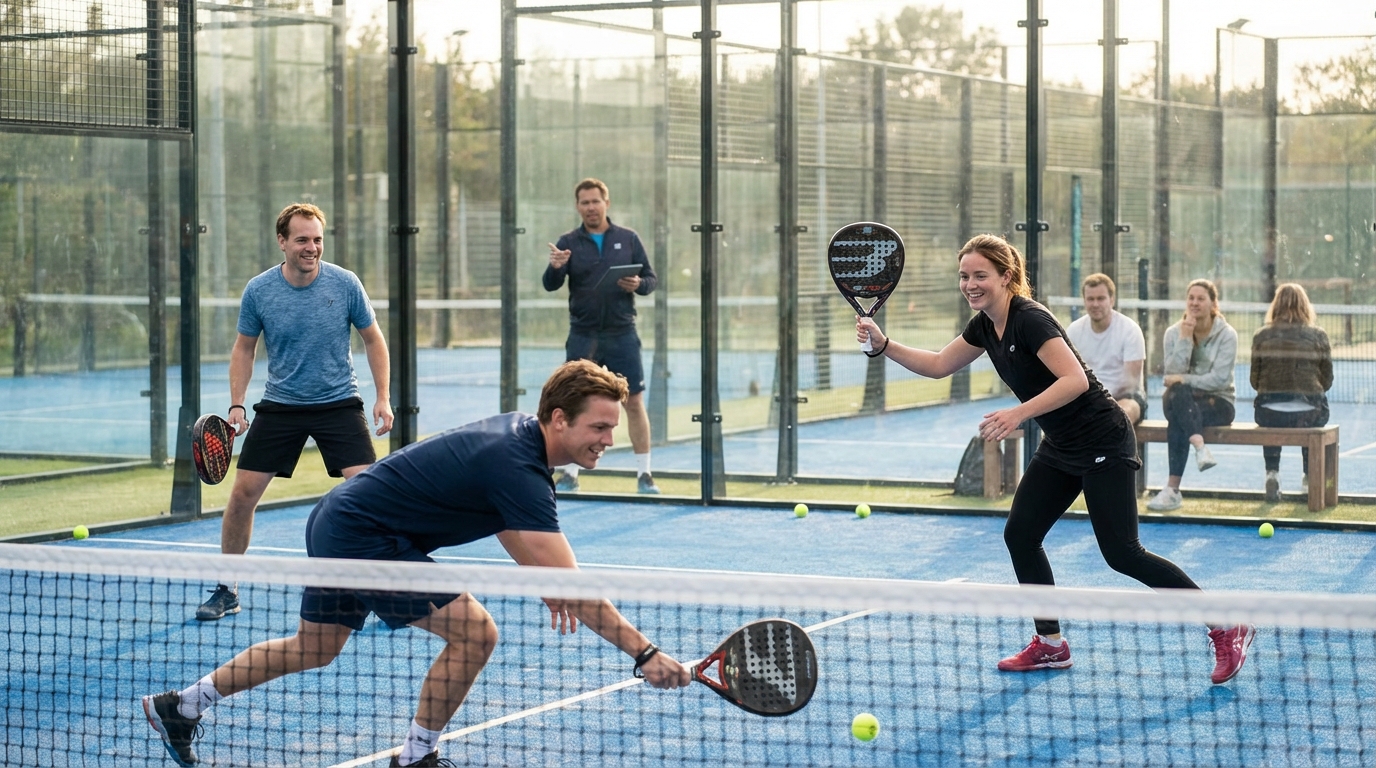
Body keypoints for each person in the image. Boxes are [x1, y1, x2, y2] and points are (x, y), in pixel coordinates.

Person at [142, 360, 692, 768]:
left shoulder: (520, 441)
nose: (608, 440)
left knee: (313, 648)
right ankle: (415, 758)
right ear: (559, 419)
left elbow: (502, 518)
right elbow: (570, 577)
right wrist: (644, 653)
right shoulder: (519, 467)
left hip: (338, 519)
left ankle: (182, 706)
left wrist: (544, 577)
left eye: (611, 428)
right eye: (599, 427)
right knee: (476, 634)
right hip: (365, 535)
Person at [855, 234, 1253, 685]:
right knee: (1021, 534)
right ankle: (1049, 645)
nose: (970, 284)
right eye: (964, 276)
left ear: (1007, 276)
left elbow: (1075, 381)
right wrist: (884, 344)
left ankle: (1226, 623)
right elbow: (938, 364)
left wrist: (1018, 413)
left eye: (980, 275)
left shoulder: (1030, 319)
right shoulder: (985, 325)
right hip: (1062, 445)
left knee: (1122, 554)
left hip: (1103, 438)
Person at [196, 203, 394, 622]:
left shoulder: (345, 284)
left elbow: (374, 340)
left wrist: (383, 396)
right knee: (241, 496)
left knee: (369, 498)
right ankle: (227, 589)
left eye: (318, 239)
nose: (312, 247)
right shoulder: (260, 290)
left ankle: (379, 590)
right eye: (302, 239)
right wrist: (236, 402)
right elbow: (244, 348)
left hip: (339, 403)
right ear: (282, 241)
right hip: (281, 405)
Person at [543, 178, 660, 495]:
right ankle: (569, 474)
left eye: (595, 201)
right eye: (584, 202)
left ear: (606, 203)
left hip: (622, 333)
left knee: (633, 401)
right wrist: (555, 267)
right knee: (573, 402)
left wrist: (639, 284)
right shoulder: (568, 241)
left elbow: (650, 279)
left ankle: (644, 474)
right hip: (583, 335)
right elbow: (551, 284)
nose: (590, 207)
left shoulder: (628, 238)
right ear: (578, 206)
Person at [1146, 279, 1238, 512]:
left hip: (1218, 403)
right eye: (1191, 298)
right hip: (1181, 400)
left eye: (1201, 298)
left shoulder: (1227, 335)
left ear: (1213, 303)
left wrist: (1184, 380)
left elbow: (1220, 379)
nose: (1195, 303)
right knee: (1178, 395)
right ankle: (1198, 444)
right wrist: (1186, 337)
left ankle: (1172, 490)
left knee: (1178, 413)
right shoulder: (1173, 333)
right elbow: (1172, 374)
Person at [1251, 283, 1333, 502]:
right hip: (1310, 413)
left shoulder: (1261, 336)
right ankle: (1308, 478)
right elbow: (1327, 381)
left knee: (1271, 415)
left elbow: (1254, 381)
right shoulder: (1318, 335)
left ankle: (1272, 473)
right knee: (1310, 418)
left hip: (1268, 412)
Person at [1066, 273, 1147, 424]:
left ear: (1112, 300)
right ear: (1084, 301)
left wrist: (1099, 401)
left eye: (1101, 298)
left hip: (1124, 398)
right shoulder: (1074, 331)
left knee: (1123, 413)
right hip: (1085, 398)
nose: (1095, 304)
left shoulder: (1130, 330)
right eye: (1090, 299)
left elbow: (1130, 384)